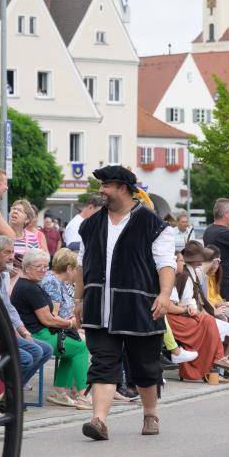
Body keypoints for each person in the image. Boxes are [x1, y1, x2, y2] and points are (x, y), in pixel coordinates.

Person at [75, 166, 177, 441]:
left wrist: (164, 295)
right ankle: (99, 420)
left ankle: (149, 412)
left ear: (122, 188)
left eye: (106, 185)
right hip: (100, 307)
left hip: (139, 306)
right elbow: (82, 265)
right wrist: (78, 299)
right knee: (103, 362)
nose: (101, 190)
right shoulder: (91, 224)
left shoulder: (152, 223)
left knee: (144, 366)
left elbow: (166, 264)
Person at [10, 248, 92, 408]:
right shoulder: (29, 288)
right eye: (38, 266)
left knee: (75, 347)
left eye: (45, 266)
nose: (42, 270)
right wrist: (69, 323)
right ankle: (82, 395)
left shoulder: (30, 285)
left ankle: (59, 391)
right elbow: (47, 319)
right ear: (26, 267)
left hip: (40, 332)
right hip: (37, 335)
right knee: (81, 348)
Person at [0, 234, 53, 402]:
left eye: (12, 252)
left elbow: (8, 307)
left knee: (45, 350)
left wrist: (23, 331)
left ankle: (9, 395)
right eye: (7, 252)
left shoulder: (3, 275)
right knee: (28, 356)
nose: (12, 256)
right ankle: (5, 396)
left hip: (6, 330)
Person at [169, 241, 229, 382]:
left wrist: (210, 312)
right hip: (179, 318)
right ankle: (215, 365)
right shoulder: (185, 275)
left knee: (210, 323)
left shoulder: (191, 273)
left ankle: (214, 367)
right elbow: (181, 304)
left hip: (185, 315)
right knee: (208, 324)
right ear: (197, 259)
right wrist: (192, 310)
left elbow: (194, 301)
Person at [203, 198, 229, 300]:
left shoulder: (209, 229)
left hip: (216, 279)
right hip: (226, 282)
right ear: (226, 214)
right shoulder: (224, 233)